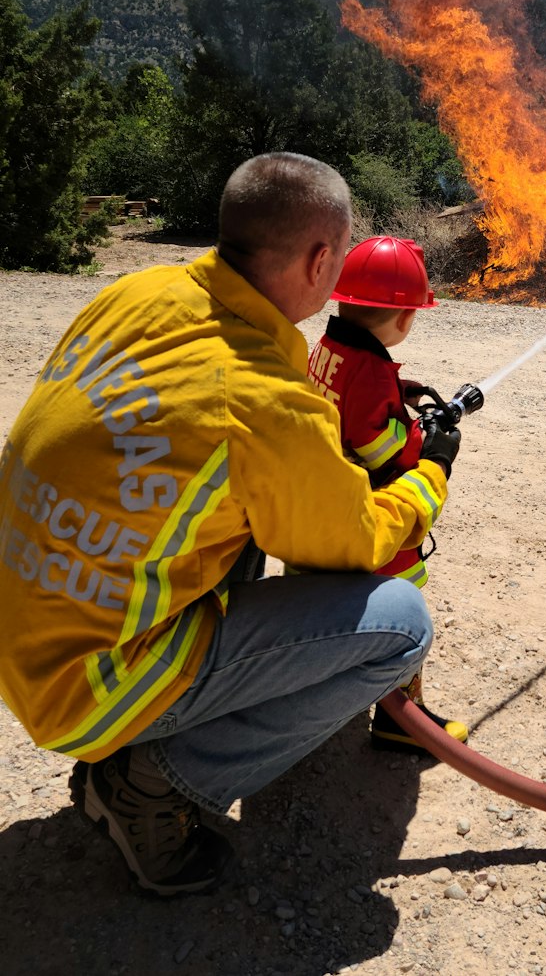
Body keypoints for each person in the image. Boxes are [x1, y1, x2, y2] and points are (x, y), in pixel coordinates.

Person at [0, 153, 461, 897]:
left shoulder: (138, 294)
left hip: (27, 633)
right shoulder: (256, 400)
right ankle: (151, 782)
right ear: (319, 260)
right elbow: (358, 538)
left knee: (240, 512)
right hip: (89, 684)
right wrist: (431, 472)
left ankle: (141, 736)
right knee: (402, 623)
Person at [306, 235, 467, 752]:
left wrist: (396, 395)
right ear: (403, 320)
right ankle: (402, 719)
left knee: (327, 611)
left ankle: (323, 697)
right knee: (401, 609)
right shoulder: (372, 370)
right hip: (373, 515)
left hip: (321, 509)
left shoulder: (329, 349)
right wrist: (428, 441)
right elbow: (382, 448)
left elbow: (344, 404)